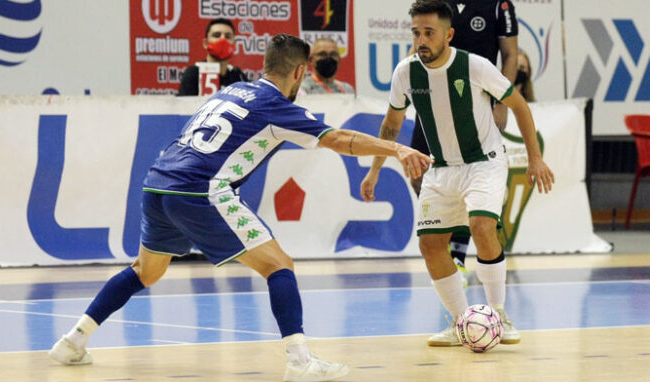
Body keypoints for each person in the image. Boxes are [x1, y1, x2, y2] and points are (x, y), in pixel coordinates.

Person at [49, 33, 431, 382]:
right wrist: (397, 147)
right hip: (202, 191)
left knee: (145, 272)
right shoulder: (276, 105)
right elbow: (342, 140)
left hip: (158, 184)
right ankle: (299, 361)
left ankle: (74, 339)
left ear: (265, 64)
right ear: (300, 72)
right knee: (279, 264)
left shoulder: (226, 93)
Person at [360, 0, 554, 347]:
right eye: (416, 32)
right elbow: (391, 125)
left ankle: (498, 313)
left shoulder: (475, 66)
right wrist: (375, 169)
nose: (421, 40)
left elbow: (520, 107)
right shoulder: (405, 72)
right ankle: (462, 321)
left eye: (429, 33)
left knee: (482, 227)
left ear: (448, 35)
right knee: (429, 244)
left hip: (484, 162)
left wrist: (536, 158)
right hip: (441, 167)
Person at [409, 0, 519, 279]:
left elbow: (510, 54)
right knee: (417, 170)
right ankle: (448, 241)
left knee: (470, 169)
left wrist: (501, 103)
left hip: (475, 99)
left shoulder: (498, 5)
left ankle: (457, 253)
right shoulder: (435, 5)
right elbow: (420, 44)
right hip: (434, 96)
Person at [178, 18, 248, 96]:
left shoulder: (238, 76)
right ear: (205, 43)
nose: (222, 39)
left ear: (234, 45)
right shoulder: (194, 73)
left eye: (228, 36)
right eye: (216, 35)